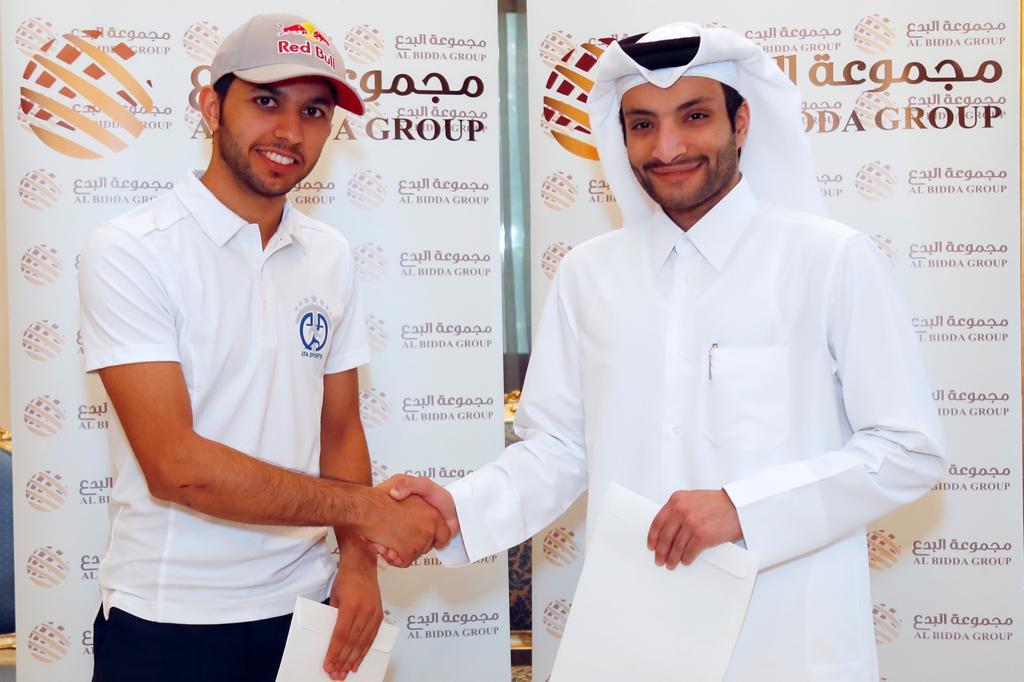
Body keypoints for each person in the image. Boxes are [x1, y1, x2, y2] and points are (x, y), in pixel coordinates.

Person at [386, 23, 946, 679]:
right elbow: (560, 448)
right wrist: (463, 507)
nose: (668, 147)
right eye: (643, 124)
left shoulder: (830, 260)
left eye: (695, 116)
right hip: (632, 640)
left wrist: (743, 507)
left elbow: (909, 449)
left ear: (741, 122)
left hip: (786, 639)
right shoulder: (587, 274)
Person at [79, 14, 448, 682]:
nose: (288, 133)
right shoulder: (131, 249)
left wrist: (357, 565)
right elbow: (176, 465)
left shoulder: (328, 254)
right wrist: (365, 512)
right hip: (170, 623)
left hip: (306, 617)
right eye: (266, 101)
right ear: (212, 105)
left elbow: (339, 430)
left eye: (313, 111)